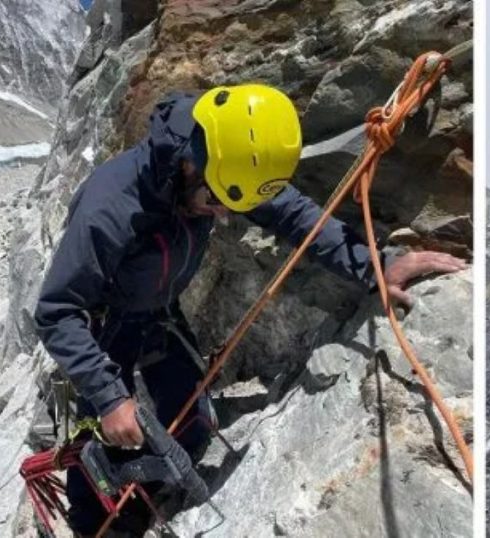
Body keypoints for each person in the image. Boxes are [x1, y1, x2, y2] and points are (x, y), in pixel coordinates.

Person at [33, 84, 465, 535]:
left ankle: (147, 491)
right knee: (106, 438)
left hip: (158, 312)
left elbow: (296, 216)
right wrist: (108, 397)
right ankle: (100, 521)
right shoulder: (110, 205)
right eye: (216, 202)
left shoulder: (228, 159)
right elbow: (57, 310)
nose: (221, 216)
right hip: (104, 322)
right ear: (188, 166)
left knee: (194, 424)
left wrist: (376, 266)